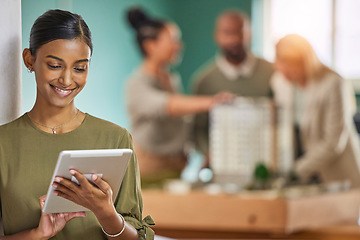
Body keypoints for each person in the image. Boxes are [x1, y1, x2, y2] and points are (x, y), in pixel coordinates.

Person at [0, 9, 154, 239]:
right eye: (55, 65)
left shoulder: (116, 139)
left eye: (80, 68)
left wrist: (106, 213)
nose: (67, 79)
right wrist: (36, 234)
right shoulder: (4, 143)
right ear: (29, 59)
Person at [126, 8, 233, 185]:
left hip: (176, 168)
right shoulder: (137, 83)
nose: (179, 45)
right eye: (173, 40)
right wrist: (213, 102)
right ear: (150, 45)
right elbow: (167, 106)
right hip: (148, 171)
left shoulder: (171, 79)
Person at [273, 34, 360, 187]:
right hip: (301, 173)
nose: (284, 69)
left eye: (290, 64)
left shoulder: (332, 83)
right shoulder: (280, 82)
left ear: (305, 61)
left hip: (336, 173)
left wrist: (297, 170)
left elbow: (333, 142)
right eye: (280, 63)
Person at [191, 10, 274, 165]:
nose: (234, 39)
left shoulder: (271, 73)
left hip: (265, 163)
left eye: (239, 33)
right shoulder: (204, 80)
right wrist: (210, 154)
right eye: (227, 33)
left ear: (249, 34)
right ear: (217, 36)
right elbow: (198, 129)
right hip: (223, 164)